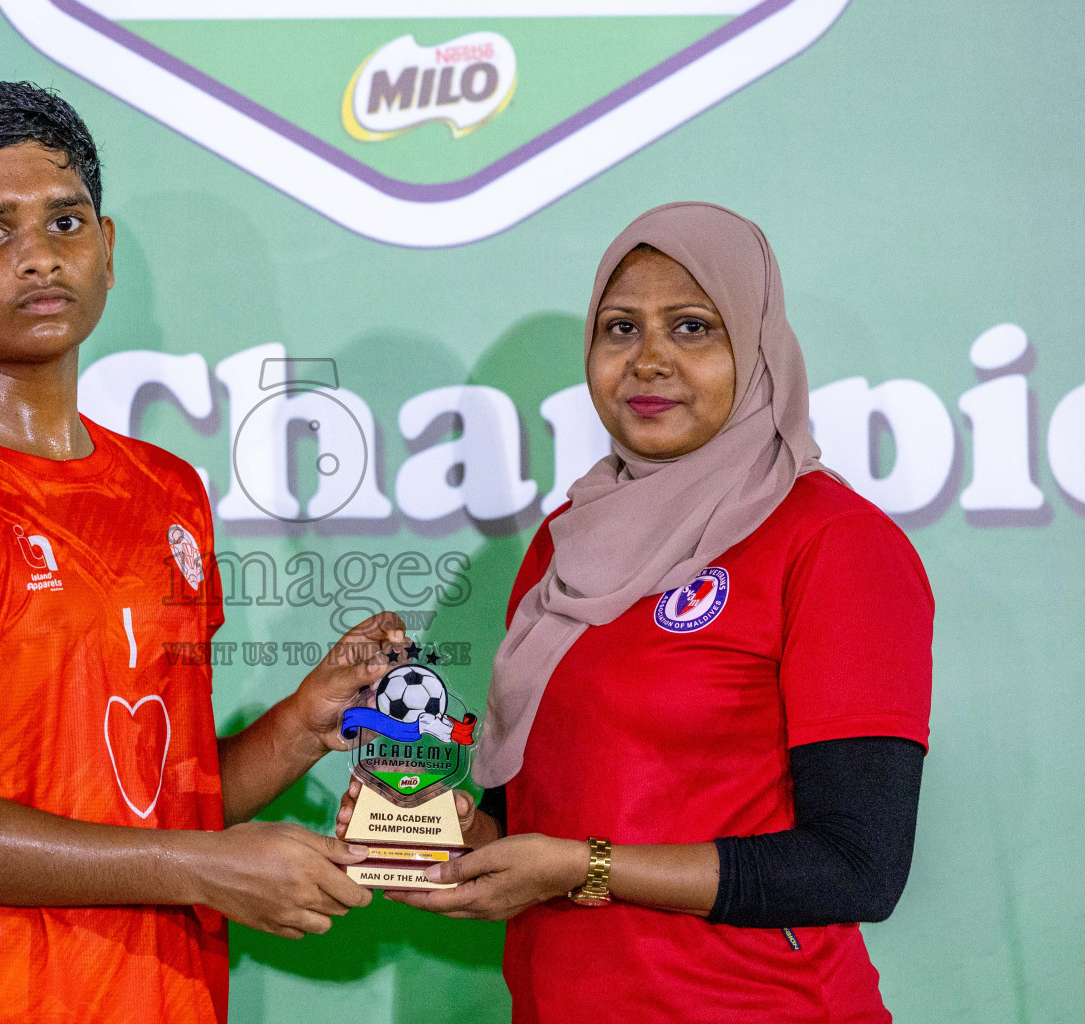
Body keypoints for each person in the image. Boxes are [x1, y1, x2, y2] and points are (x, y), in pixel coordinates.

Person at [0, 81, 399, 1024]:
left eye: (65, 222)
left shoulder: (167, 491)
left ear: (107, 251)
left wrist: (298, 726)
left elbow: (151, 799)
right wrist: (198, 868)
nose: (38, 256)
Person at [338, 202, 932, 1022]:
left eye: (693, 328)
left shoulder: (833, 542)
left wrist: (584, 868)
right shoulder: (568, 538)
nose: (648, 360)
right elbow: (536, 820)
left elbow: (858, 865)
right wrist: (428, 832)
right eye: (620, 329)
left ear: (758, 347)